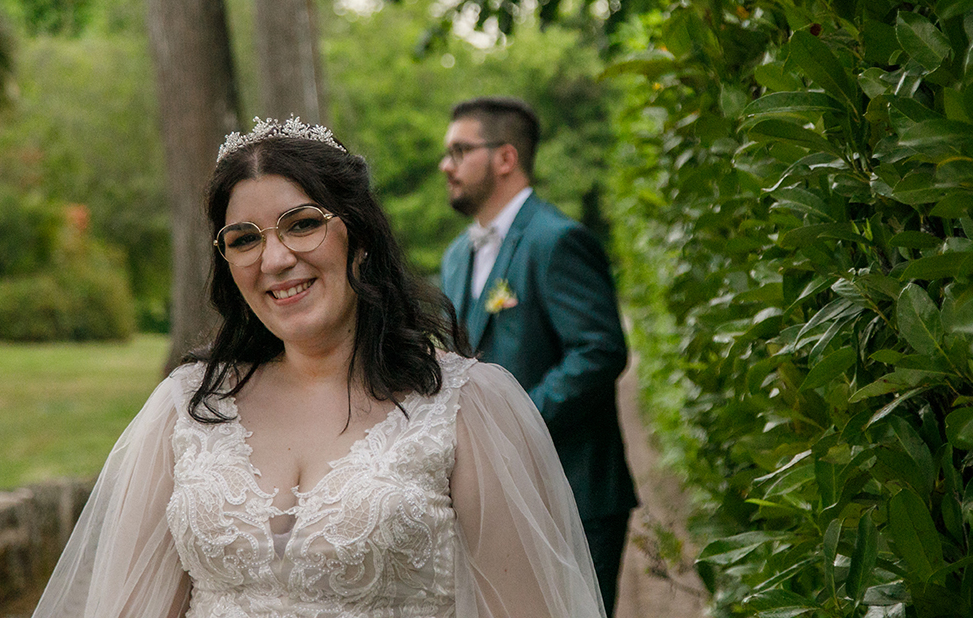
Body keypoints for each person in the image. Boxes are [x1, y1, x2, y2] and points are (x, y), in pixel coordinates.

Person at [30, 116, 605, 618]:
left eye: (302, 224)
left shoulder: (463, 406)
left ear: (358, 237)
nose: (276, 260)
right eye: (244, 239)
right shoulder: (188, 407)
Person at [438, 97, 637, 617]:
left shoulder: (557, 239)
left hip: (574, 490)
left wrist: (513, 422)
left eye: (460, 150)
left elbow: (599, 351)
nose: (446, 165)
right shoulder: (457, 254)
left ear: (505, 157)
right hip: (493, 506)